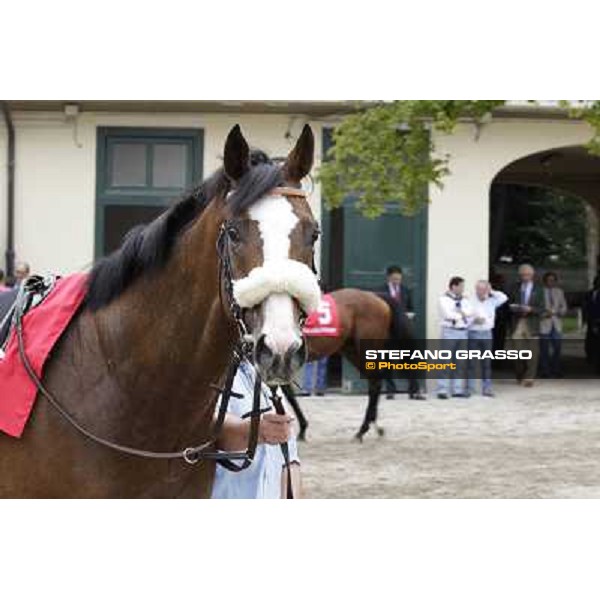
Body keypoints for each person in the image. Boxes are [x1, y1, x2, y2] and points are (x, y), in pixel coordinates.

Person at [212, 359, 301, 499]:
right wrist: (255, 431)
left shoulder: (262, 373)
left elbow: (290, 458)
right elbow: (209, 427)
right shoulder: (204, 370)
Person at [467, 280, 508, 396]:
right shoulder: (470, 300)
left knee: (486, 363)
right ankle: (470, 388)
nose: (481, 292)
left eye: (484, 289)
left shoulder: (492, 300)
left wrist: (491, 291)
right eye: (479, 289)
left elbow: (504, 297)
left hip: (487, 333)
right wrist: (473, 320)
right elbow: (464, 316)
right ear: (476, 289)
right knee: (472, 363)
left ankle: (487, 388)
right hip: (473, 332)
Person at [507, 263, 544, 387]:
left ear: (532, 275)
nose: (525, 277)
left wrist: (531, 309)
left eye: (527, 275)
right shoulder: (514, 287)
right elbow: (509, 305)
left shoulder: (539, 289)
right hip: (517, 322)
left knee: (533, 353)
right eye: (523, 275)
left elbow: (542, 309)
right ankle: (520, 375)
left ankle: (529, 378)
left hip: (532, 322)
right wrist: (515, 308)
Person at [437, 276, 473, 399]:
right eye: (461, 286)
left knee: (460, 362)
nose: (463, 289)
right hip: (449, 331)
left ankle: (457, 389)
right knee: (446, 362)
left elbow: (470, 313)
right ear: (454, 286)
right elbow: (448, 314)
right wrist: (461, 314)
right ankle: (442, 389)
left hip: (463, 331)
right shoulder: (444, 299)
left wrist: (461, 313)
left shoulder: (465, 300)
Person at [538, 271, 568, 378]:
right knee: (544, 349)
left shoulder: (559, 292)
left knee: (557, 348)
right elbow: (537, 307)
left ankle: (556, 370)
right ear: (545, 281)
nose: (551, 282)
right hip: (544, 323)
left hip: (556, 323)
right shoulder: (539, 292)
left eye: (553, 280)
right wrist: (543, 313)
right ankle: (545, 371)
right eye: (549, 280)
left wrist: (560, 312)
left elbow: (564, 306)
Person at [583, 275, 600, 373]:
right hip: (592, 321)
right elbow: (586, 307)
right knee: (591, 343)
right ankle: (593, 362)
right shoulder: (589, 294)